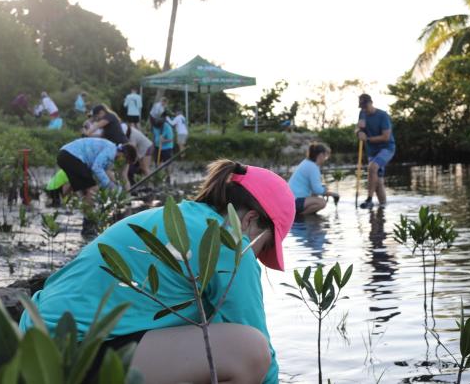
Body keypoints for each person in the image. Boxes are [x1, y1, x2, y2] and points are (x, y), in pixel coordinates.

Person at [19, 159, 295, 383]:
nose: (256, 257)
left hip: (35, 337)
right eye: (265, 246)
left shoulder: (176, 216)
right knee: (250, 351)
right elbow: (261, 353)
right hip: (67, 356)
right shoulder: (229, 242)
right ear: (249, 219)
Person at [56, 137, 137, 236]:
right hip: (71, 156)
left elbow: (106, 173)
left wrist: (118, 189)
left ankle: (56, 196)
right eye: (125, 161)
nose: (122, 163)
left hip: (65, 155)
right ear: (123, 154)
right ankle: (88, 224)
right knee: (93, 189)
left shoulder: (111, 150)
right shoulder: (111, 151)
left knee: (82, 189)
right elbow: (97, 167)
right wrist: (110, 186)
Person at [356, 93, 395, 209]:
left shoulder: (382, 115)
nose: (364, 109)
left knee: (372, 167)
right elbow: (357, 129)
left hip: (387, 148)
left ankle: (369, 199)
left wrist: (367, 138)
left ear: (371, 103)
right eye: (362, 106)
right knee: (378, 183)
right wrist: (358, 132)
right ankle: (382, 210)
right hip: (372, 151)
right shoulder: (362, 113)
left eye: (365, 106)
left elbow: (386, 136)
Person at [288, 143, 339, 215]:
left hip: (292, 199)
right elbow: (317, 190)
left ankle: (301, 215)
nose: (325, 159)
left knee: (315, 196)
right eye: (326, 156)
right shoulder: (312, 167)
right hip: (295, 201)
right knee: (322, 203)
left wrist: (323, 189)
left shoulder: (307, 163)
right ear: (321, 155)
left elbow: (315, 188)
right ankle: (299, 216)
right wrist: (332, 194)